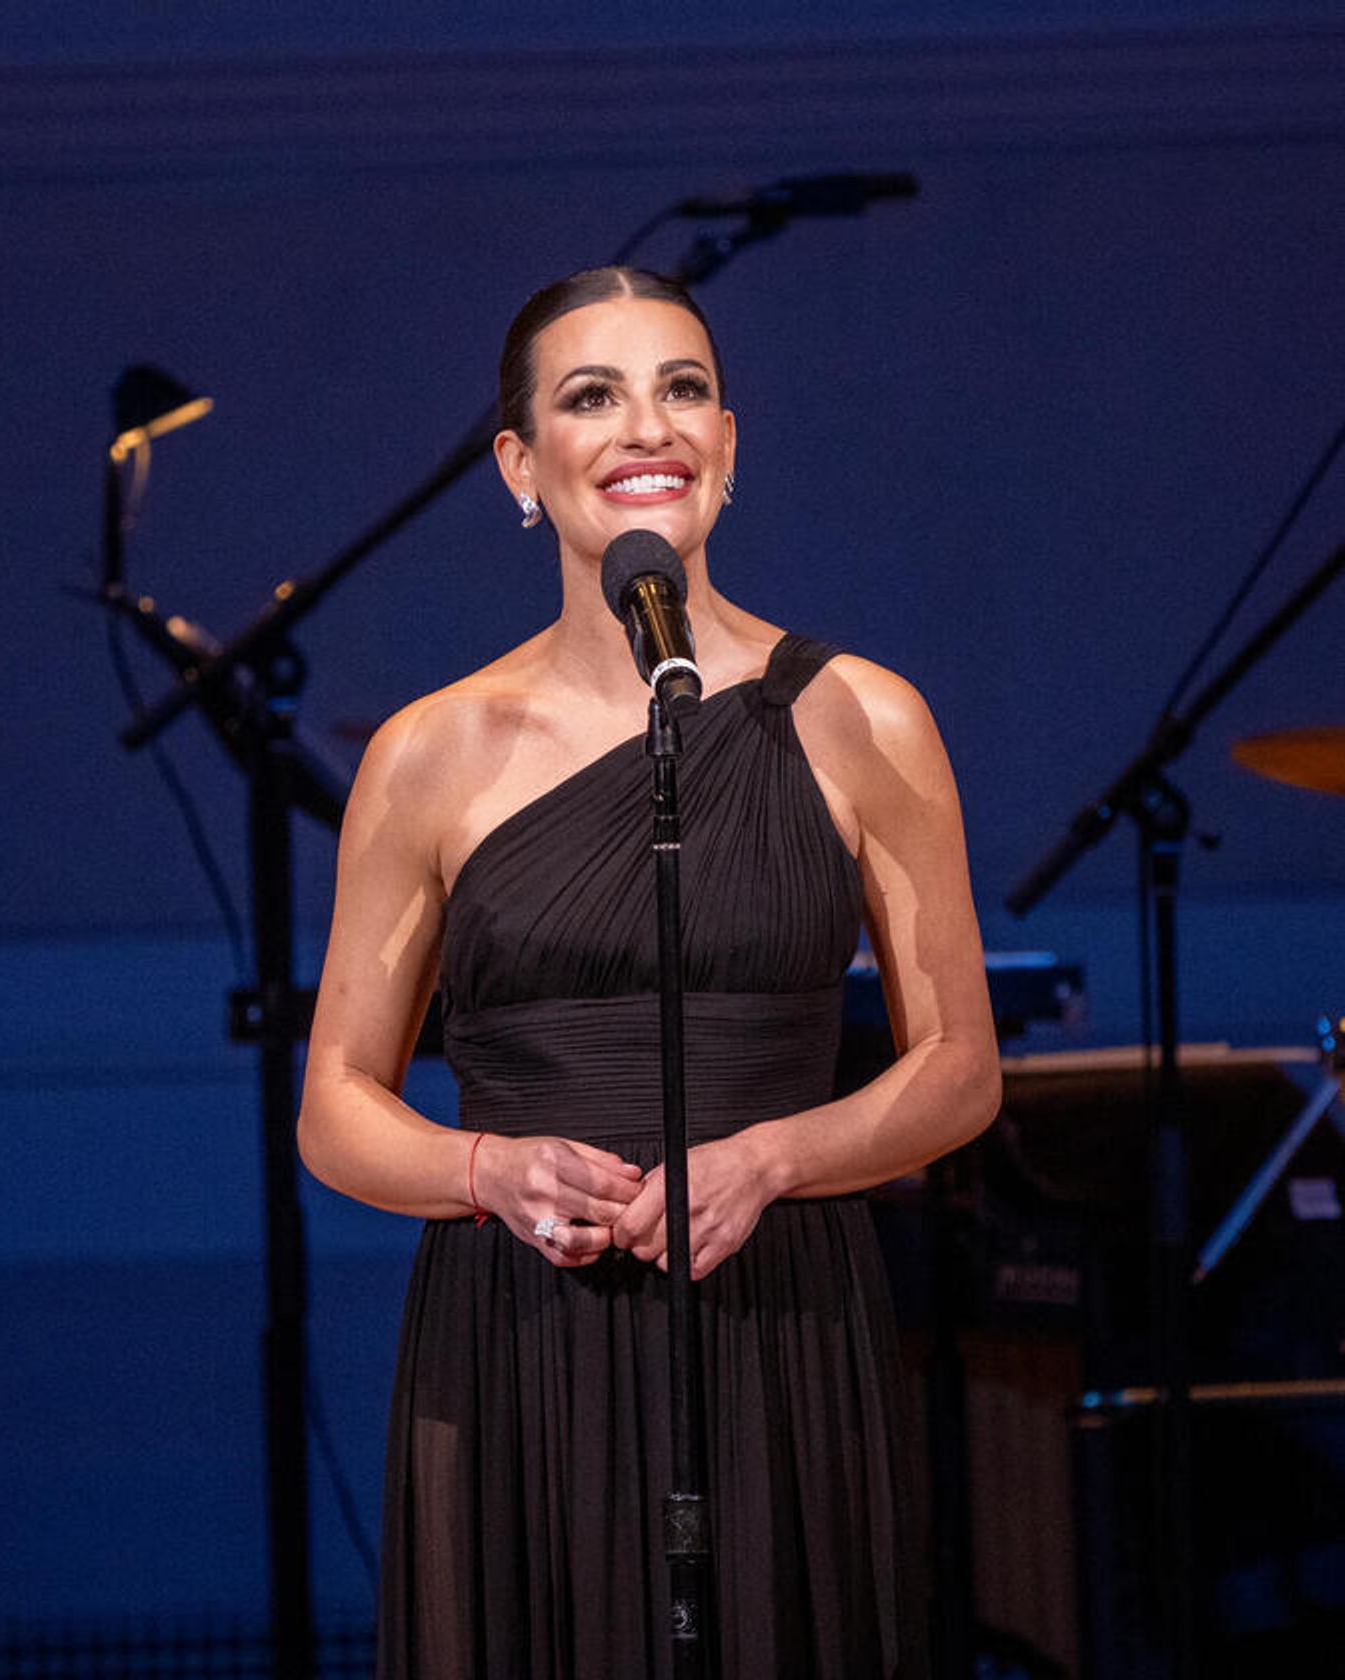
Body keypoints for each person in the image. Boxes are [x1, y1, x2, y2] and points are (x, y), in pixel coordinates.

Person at [297, 265, 1001, 1679]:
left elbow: (960, 1071)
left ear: (728, 446)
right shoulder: (430, 753)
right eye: (591, 396)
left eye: (682, 389)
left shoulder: (864, 717)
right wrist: (486, 1170)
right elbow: (335, 1106)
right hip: (521, 1340)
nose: (646, 427)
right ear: (519, 464)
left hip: (779, 1326)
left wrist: (775, 1160)